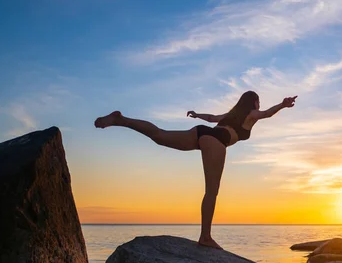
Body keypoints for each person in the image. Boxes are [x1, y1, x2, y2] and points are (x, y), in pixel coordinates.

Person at [94, 91, 297, 249]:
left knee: (159, 135)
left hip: (201, 132)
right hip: (216, 141)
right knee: (212, 191)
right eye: (258, 102)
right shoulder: (251, 114)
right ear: (254, 102)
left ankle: (122, 120)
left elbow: (211, 118)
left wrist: (196, 114)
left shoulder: (232, 114)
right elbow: (267, 114)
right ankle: (205, 237)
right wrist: (283, 105)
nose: (258, 106)